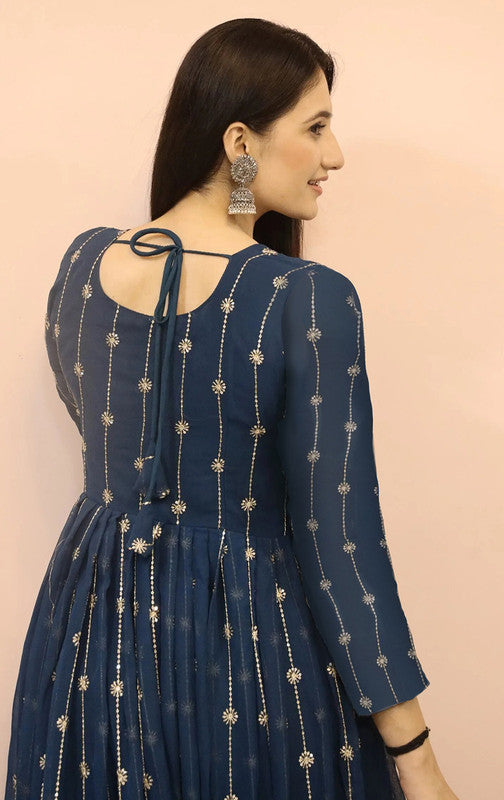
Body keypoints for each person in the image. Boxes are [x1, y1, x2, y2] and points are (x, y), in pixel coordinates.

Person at [4, 17, 460, 800]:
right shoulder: (303, 299)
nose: (334, 155)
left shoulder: (83, 262)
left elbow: (99, 419)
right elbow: (341, 544)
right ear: (240, 143)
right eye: (315, 127)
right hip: (249, 650)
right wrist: (418, 761)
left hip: (90, 641)